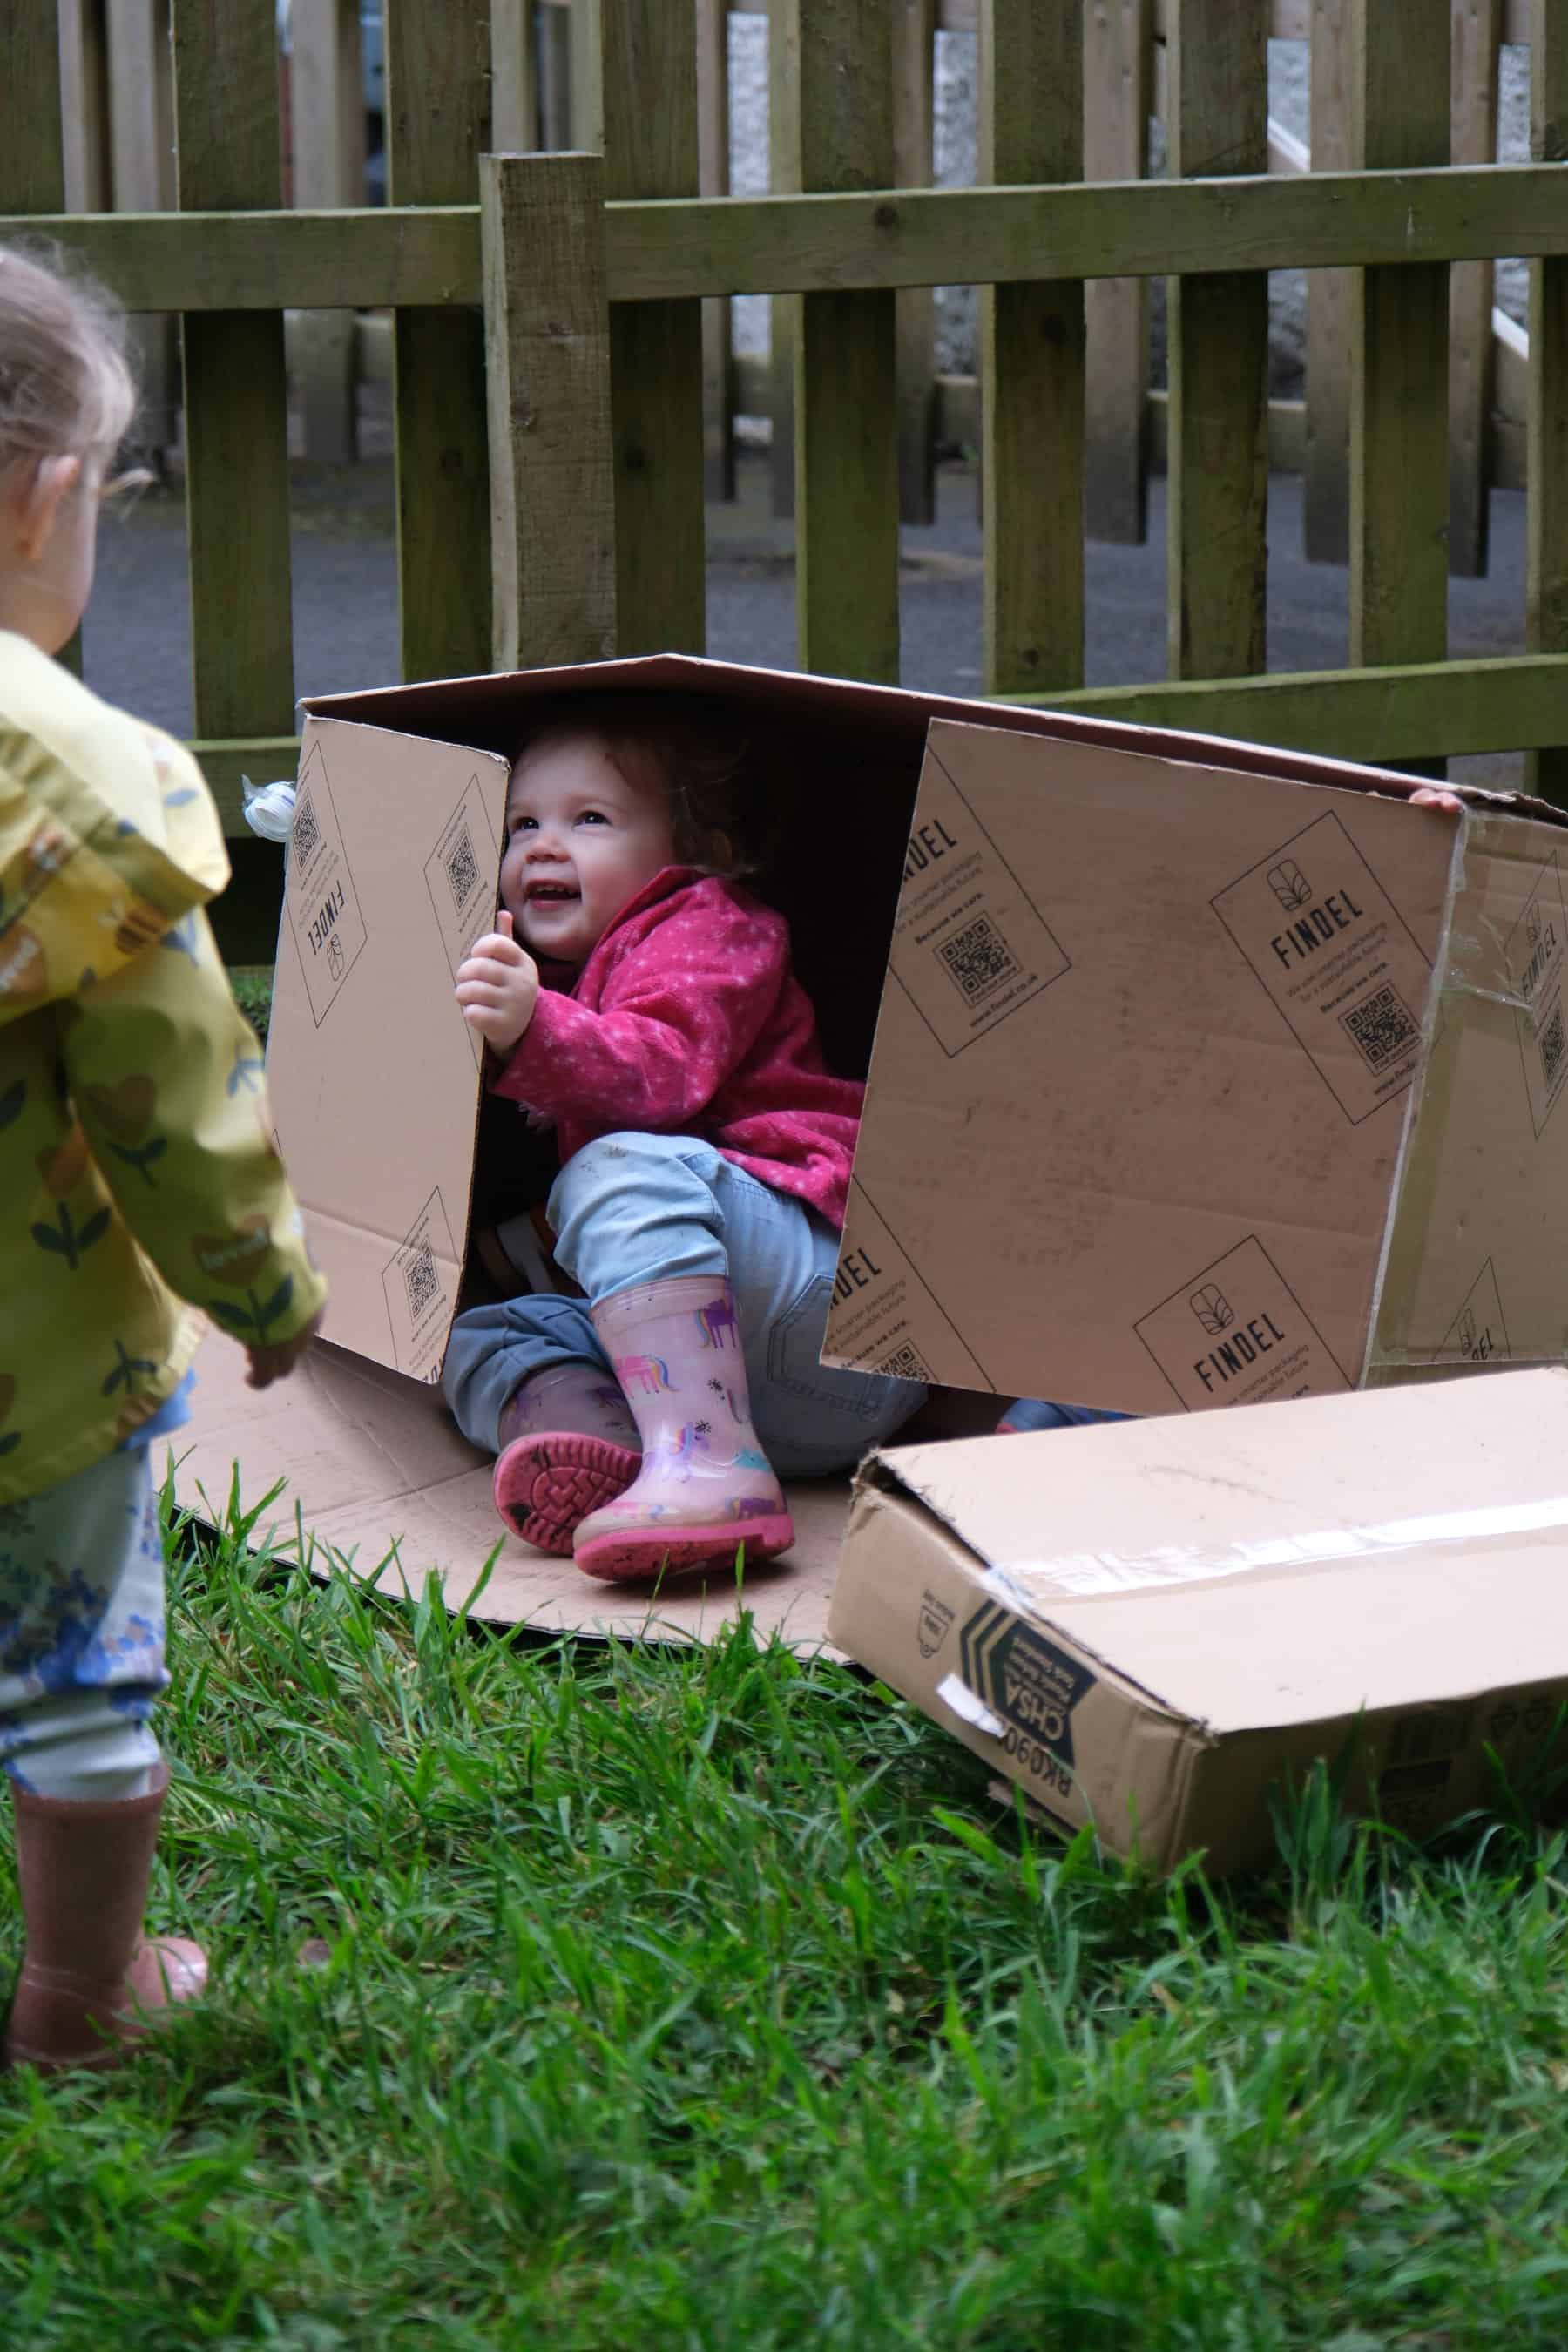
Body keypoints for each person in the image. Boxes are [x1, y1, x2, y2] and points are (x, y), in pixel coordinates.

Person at [0, 242, 327, 2073]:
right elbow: (173, 1094)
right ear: (50, 497)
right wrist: (265, 1284)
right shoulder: (72, 775)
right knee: (71, 1663)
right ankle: (83, 1993)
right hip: (35, 1368)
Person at [443, 694, 926, 1583]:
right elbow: (626, 1234)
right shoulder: (581, 976)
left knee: (617, 1167)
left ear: (700, 847)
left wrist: (532, 1031)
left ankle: (708, 1471)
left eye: (591, 819)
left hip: (838, 1320)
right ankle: (604, 1446)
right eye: (522, 823)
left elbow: (658, 1078)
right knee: (484, 1334)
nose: (544, 845)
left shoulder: (707, 921)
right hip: (732, 1379)